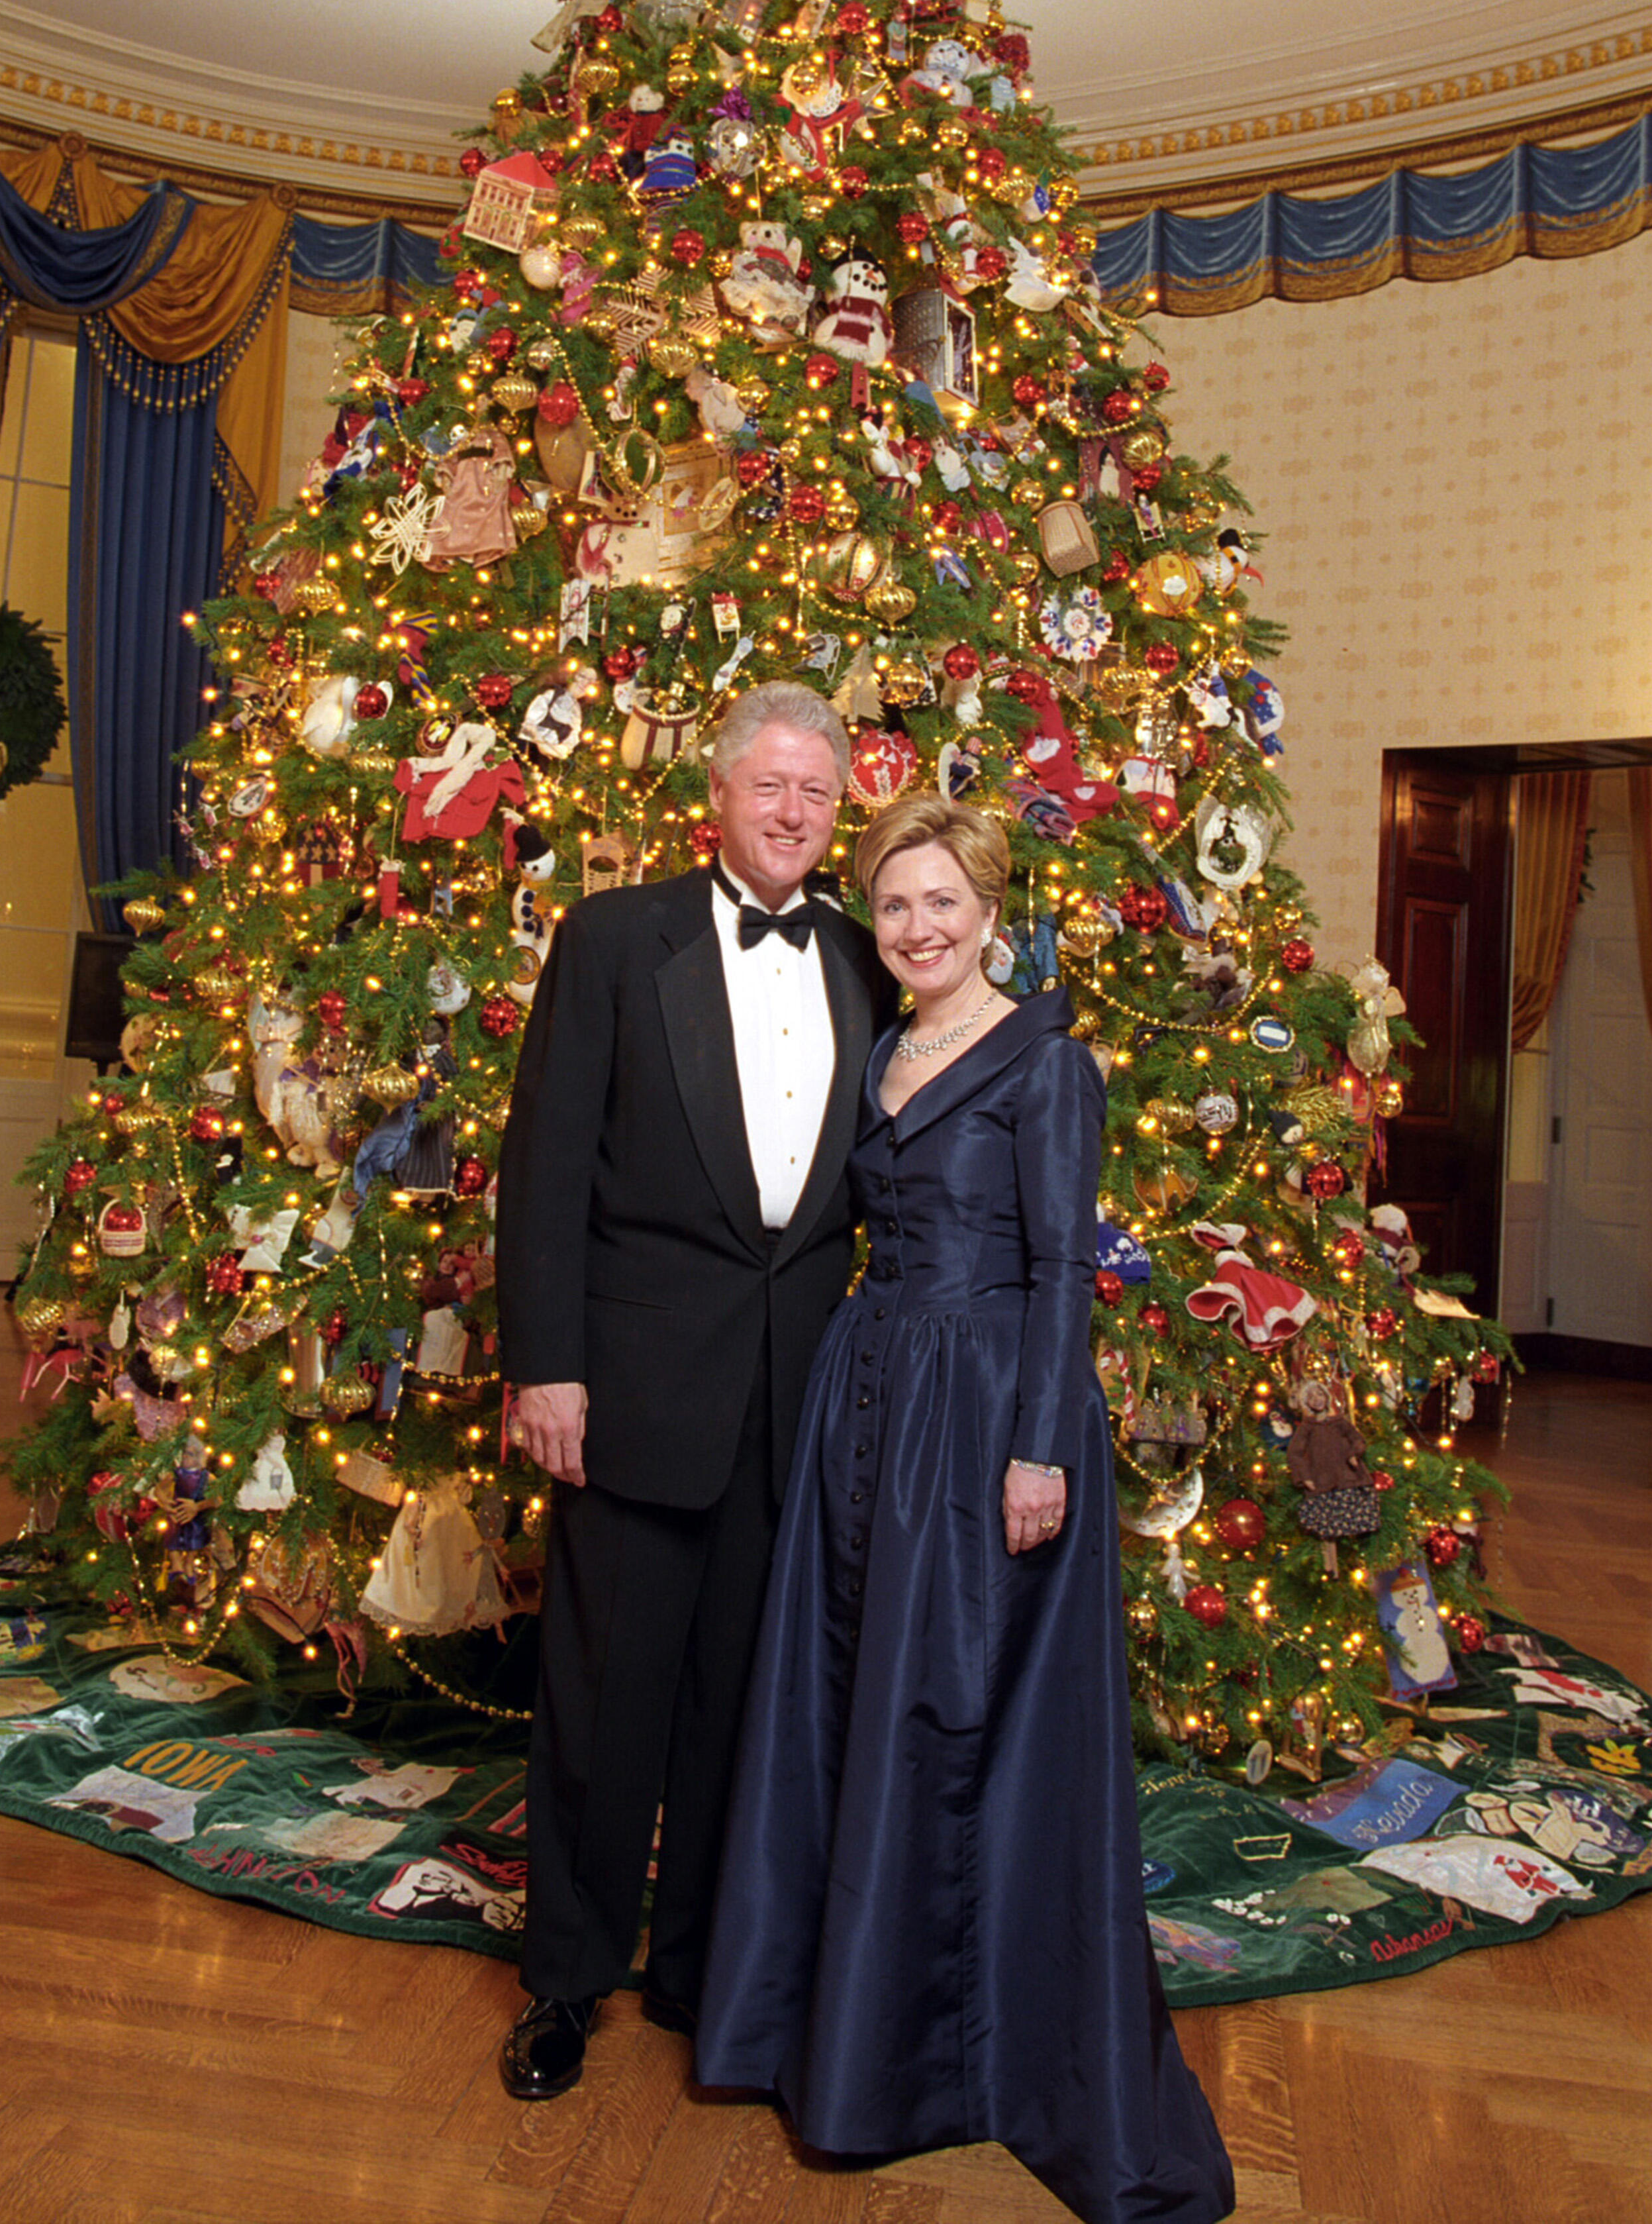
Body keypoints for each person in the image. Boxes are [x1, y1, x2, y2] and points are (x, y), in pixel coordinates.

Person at [695, 797, 1235, 2224]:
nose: (919, 928)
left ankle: (945, 2057)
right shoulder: (885, 1051)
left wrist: (1045, 1449)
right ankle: (820, 2029)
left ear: (993, 913)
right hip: (869, 1398)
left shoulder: (1048, 1066)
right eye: (897, 906)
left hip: (990, 1410)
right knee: (847, 1700)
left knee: (949, 1710)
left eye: (944, 903)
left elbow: (1064, 1269)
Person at [491, 678, 893, 2100]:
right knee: (605, 1704)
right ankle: (565, 1982)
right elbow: (542, 1169)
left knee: (744, 1703)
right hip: (635, 1387)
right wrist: (547, 1363)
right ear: (715, 796)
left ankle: (697, 1971)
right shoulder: (612, 939)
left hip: (797, 1401)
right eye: (769, 787)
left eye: (818, 796)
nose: (792, 814)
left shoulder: (867, 961)